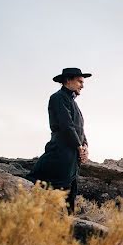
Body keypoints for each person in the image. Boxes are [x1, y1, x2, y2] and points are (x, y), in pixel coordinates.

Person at [28, 67, 91, 213]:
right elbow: (66, 125)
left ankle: (66, 227)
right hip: (61, 150)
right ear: (68, 80)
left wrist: (85, 145)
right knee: (55, 187)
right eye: (80, 81)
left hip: (73, 154)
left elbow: (79, 128)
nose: (82, 85)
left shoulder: (73, 102)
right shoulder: (58, 97)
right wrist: (79, 147)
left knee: (70, 192)